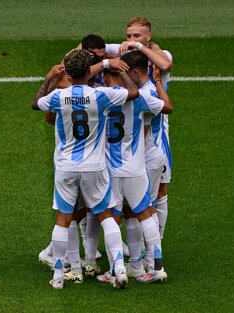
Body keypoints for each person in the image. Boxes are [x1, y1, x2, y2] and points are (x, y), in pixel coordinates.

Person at [32, 49, 139, 289]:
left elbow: (35, 104)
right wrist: (122, 71)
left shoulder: (58, 97)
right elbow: (133, 92)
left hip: (66, 167)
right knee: (105, 215)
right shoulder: (101, 95)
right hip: (95, 167)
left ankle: (59, 276)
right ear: (89, 73)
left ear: (67, 74)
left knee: (63, 218)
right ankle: (120, 269)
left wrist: (49, 78)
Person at [94, 60, 172, 284]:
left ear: (107, 76)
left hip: (110, 171)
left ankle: (116, 270)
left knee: (111, 217)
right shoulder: (139, 98)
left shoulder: (101, 96)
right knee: (145, 213)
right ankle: (157, 267)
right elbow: (167, 108)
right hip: (136, 169)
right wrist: (156, 82)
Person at [106, 16, 173, 241]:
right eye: (128, 36)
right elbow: (85, 49)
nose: (131, 39)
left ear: (148, 36)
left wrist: (138, 47)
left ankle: (154, 245)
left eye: (137, 35)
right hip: (134, 135)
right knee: (134, 201)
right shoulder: (125, 53)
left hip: (157, 135)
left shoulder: (160, 54)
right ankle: (141, 252)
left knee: (156, 194)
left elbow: (165, 65)